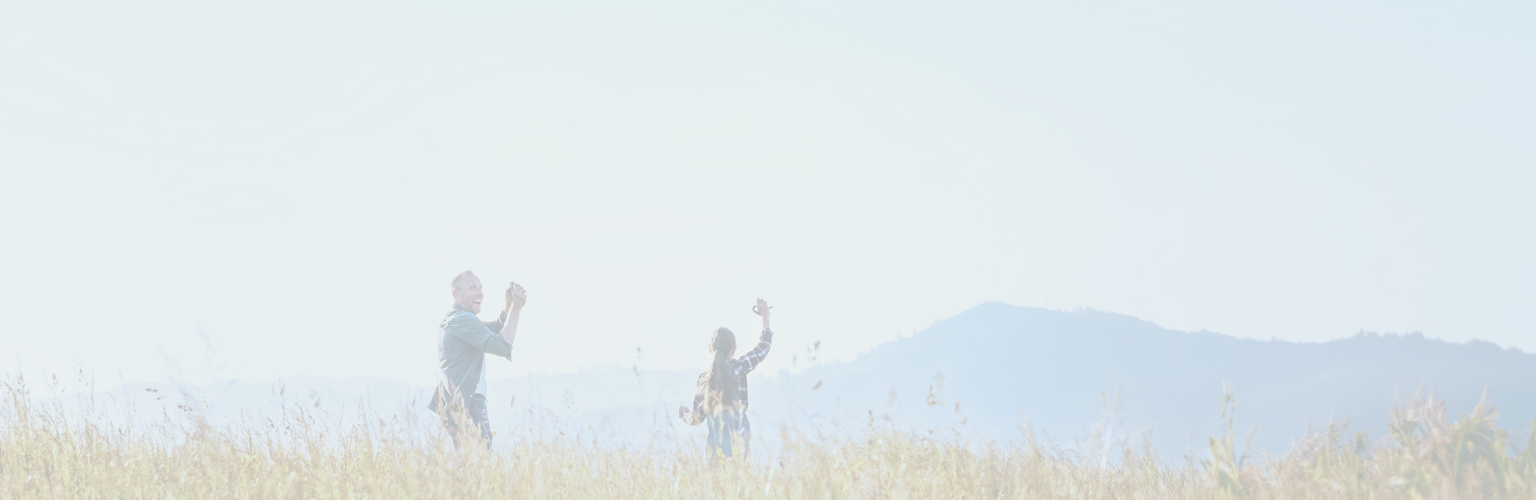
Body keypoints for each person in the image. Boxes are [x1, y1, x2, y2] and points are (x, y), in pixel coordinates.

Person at [428, 270, 527, 450]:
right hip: (468, 401)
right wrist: (517, 308)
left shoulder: (456, 319)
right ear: (456, 295)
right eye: (472, 288)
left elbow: (494, 329)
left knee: (469, 461)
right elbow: (501, 346)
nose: (480, 292)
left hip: (455, 402)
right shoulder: (463, 320)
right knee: (480, 455)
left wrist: (508, 305)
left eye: (480, 287)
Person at [678, 298, 775, 458]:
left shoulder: (705, 380)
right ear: (734, 350)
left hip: (714, 450)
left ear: (711, 349)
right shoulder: (739, 368)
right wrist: (765, 315)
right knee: (739, 482)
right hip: (740, 443)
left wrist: (685, 415)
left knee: (718, 482)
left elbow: (697, 418)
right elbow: (763, 347)